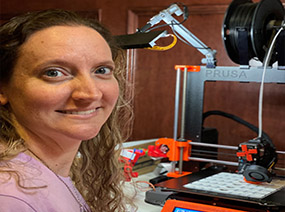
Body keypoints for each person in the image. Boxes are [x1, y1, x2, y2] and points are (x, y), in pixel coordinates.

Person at [0, 9, 134, 212]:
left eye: (101, 70)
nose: (91, 94)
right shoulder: (10, 197)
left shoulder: (46, 170)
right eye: (54, 73)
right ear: (3, 89)